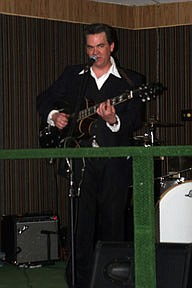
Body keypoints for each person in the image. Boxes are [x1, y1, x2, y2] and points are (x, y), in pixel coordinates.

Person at [37, 23, 145, 288]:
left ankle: (113, 279)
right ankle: (79, 281)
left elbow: (134, 120)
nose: (94, 52)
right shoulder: (75, 75)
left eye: (100, 46)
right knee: (80, 227)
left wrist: (113, 119)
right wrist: (55, 117)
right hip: (79, 162)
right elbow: (44, 99)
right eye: (90, 47)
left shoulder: (131, 81)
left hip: (113, 163)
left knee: (113, 225)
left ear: (111, 46)